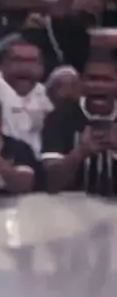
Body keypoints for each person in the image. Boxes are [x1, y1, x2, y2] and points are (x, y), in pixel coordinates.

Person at [42, 52, 117, 196]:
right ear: (81, 83)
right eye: (92, 79)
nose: (98, 86)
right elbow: (51, 183)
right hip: (70, 205)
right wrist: (80, 153)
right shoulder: (59, 117)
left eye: (107, 80)